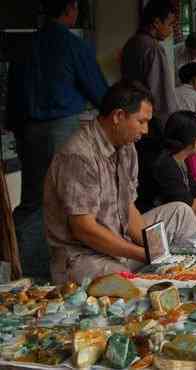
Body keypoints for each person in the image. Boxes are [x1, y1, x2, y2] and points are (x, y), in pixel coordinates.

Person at [43, 81, 196, 285]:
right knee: (130, 282)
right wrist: (143, 254)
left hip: (120, 242)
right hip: (83, 257)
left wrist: (156, 250)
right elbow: (84, 229)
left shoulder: (126, 146)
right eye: (141, 121)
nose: (145, 130)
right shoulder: (78, 155)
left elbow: (128, 207)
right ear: (118, 116)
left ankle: (188, 274)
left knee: (181, 212)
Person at [7, 0, 108, 279]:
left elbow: (12, 94)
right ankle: (57, 272)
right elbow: (99, 93)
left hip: (27, 129)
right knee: (68, 201)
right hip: (61, 128)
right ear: (70, 9)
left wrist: (17, 129)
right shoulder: (72, 45)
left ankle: (25, 272)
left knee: (33, 200)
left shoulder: (26, 45)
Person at [121, 0, 178, 125]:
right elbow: (162, 95)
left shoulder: (131, 43)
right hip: (151, 119)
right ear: (157, 22)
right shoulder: (153, 48)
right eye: (170, 24)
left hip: (132, 112)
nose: (171, 30)